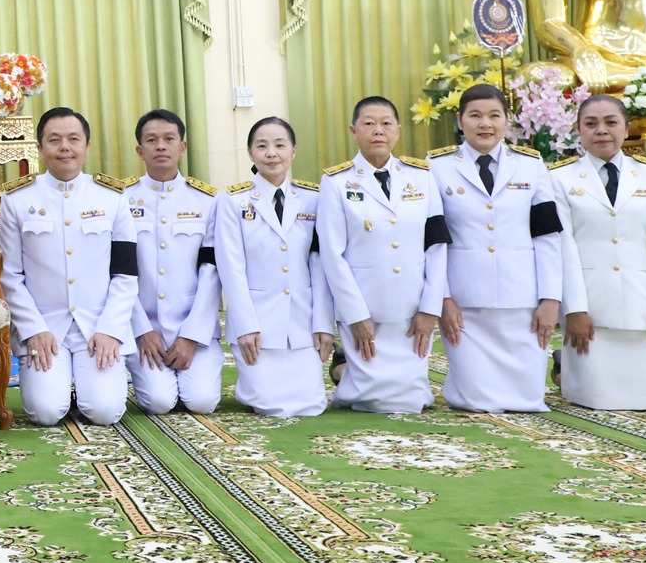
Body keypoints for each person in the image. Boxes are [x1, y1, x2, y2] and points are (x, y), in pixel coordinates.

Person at [0, 107, 139, 426]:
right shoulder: (17, 200)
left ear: (86, 146)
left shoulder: (112, 197)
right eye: (55, 139)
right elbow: (10, 275)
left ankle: (82, 384)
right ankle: (62, 384)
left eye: (73, 139)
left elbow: (126, 274)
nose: (65, 147)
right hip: (46, 327)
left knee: (105, 412)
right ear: (40, 148)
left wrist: (110, 329)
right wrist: (33, 329)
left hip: (97, 324)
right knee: (45, 413)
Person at [432, 84, 564, 412]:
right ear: (460, 121)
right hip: (465, 303)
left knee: (526, 400)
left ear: (508, 120)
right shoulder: (436, 167)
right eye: (475, 116)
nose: (485, 124)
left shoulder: (531, 166)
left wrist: (551, 298)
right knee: (473, 400)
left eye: (494, 115)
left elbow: (547, 236)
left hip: (522, 297)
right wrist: (443, 299)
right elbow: (433, 242)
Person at [317, 96, 449, 414]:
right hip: (366, 305)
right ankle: (345, 369)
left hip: (411, 303)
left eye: (386, 123)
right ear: (353, 130)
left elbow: (437, 245)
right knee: (370, 400)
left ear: (398, 130)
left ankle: (342, 369)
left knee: (412, 400)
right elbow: (332, 255)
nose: (378, 130)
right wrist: (355, 315)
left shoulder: (422, 177)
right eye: (369, 123)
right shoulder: (336, 182)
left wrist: (431, 308)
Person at [550, 95, 646, 410]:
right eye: (591, 124)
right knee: (592, 399)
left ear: (626, 128)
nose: (601, 131)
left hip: (642, 303)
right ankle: (563, 368)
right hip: (591, 304)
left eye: (611, 122)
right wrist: (574, 310)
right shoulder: (559, 178)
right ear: (578, 130)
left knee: (645, 401)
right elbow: (563, 246)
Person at [217, 116, 334, 417]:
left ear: (293, 151)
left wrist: (323, 323)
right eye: (262, 146)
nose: (272, 153)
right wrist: (245, 326)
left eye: (280, 145)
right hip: (258, 322)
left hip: (303, 322)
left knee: (311, 406)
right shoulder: (233, 201)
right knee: (268, 404)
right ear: (251, 154)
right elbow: (231, 267)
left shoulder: (313, 199)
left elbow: (320, 265)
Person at [121, 109, 223, 415]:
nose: (161, 146)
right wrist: (141, 330)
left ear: (183, 147)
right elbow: (119, 272)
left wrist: (191, 336)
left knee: (202, 402)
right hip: (144, 329)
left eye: (169, 139)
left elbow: (212, 272)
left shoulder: (207, 200)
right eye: (151, 140)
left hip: (194, 328)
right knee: (159, 403)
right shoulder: (122, 199)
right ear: (140, 150)